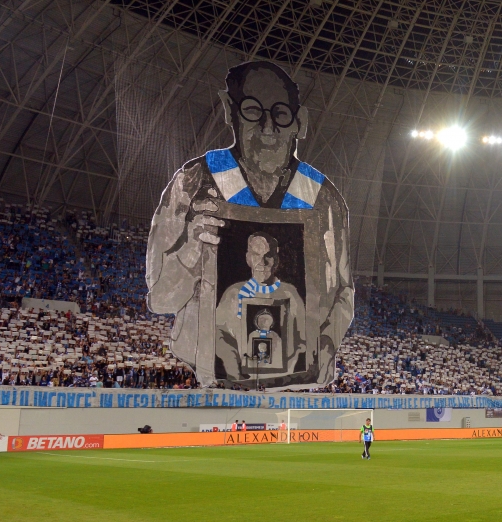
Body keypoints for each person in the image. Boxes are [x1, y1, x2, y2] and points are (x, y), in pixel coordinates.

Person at [146, 60, 353, 389]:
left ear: (300, 121)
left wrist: (324, 346)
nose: (269, 129)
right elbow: (160, 300)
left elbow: (344, 291)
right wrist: (189, 253)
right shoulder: (195, 182)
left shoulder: (322, 199)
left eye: (281, 114)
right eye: (254, 111)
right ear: (231, 111)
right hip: (212, 382)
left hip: (298, 385)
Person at [215, 234, 302, 378]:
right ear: (248, 258)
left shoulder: (290, 294)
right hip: (243, 383)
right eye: (256, 254)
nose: (262, 262)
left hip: (280, 384)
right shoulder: (233, 294)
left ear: (276, 259)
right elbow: (220, 337)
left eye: (268, 255)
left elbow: (302, 342)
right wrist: (234, 371)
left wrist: (286, 374)